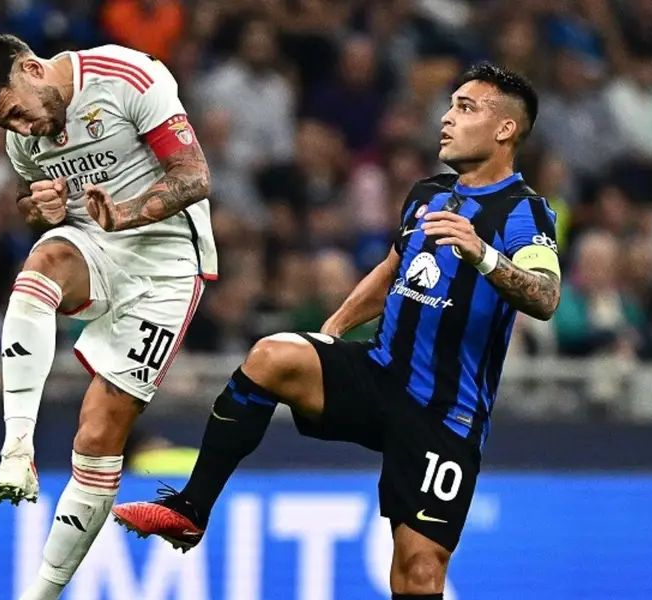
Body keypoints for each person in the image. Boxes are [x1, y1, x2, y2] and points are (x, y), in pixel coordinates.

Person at [112, 63, 561, 600]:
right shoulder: (427, 194)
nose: (446, 117)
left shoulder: (525, 213)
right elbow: (394, 267)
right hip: (380, 374)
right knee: (273, 355)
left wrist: (484, 254)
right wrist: (334, 328)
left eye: (466, 107)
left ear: (506, 129)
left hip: (446, 417)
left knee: (417, 572)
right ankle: (191, 509)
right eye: (451, 104)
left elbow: (545, 295)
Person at [0, 34, 216, 600]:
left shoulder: (128, 77)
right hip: (94, 245)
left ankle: (41, 594)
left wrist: (127, 211)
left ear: (31, 69)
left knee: (99, 434)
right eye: (7, 126)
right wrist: (37, 208)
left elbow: (195, 176)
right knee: (44, 260)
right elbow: (36, 204)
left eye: (17, 113)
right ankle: (16, 452)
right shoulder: (25, 141)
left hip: (168, 263)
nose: (22, 130)